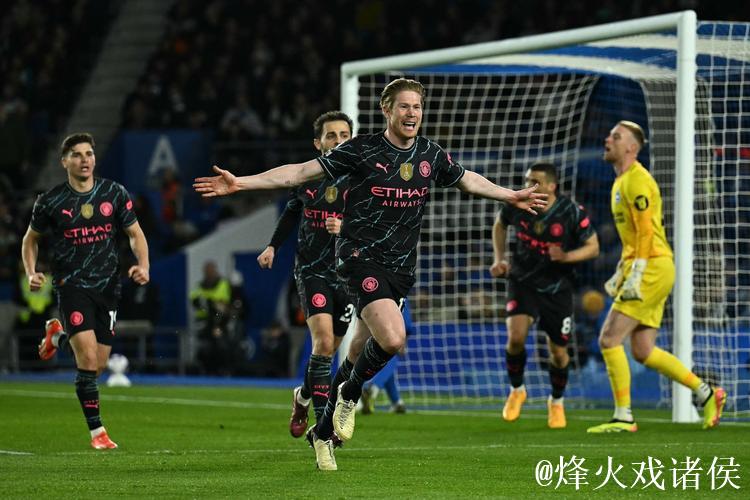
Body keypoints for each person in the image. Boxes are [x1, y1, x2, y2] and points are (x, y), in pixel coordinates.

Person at [194, 78, 547, 470]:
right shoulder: (361, 150)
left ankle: (322, 433)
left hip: (401, 268)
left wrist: (510, 194)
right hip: (359, 259)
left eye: (417, 106)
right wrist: (241, 182)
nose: (411, 113)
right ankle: (349, 395)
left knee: (357, 351)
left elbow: (467, 179)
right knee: (393, 338)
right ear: (387, 110)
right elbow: (298, 173)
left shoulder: (429, 154)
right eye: (404, 106)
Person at [586, 120, 726, 433]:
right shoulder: (621, 182)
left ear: (631, 148)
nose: (608, 139)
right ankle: (707, 393)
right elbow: (634, 237)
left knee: (609, 338)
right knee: (643, 350)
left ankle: (623, 416)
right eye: (609, 134)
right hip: (650, 265)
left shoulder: (637, 180)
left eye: (616, 136)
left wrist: (637, 273)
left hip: (652, 267)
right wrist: (622, 269)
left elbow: (647, 231)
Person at [22, 132, 150, 449]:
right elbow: (30, 239)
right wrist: (31, 271)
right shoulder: (50, 201)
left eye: (89, 154)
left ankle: (56, 337)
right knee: (88, 359)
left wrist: (143, 265)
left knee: (99, 364)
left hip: (108, 286)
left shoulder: (114, 193)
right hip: (72, 285)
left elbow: (135, 233)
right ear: (64, 161)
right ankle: (98, 433)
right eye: (77, 155)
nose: (84, 160)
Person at [255, 111, 354, 439]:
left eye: (344, 135)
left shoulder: (362, 179)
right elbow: (291, 213)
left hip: (347, 275)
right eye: (331, 135)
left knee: (328, 351)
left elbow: (374, 226)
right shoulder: (309, 177)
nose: (338, 141)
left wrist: (345, 228)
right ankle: (324, 428)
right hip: (312, 270)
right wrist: (273, 246)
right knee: (322, 342)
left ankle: (302, 397)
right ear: (318, 143)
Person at [490, 162, 600, 429]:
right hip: (523, 281)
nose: (529, 185)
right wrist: (499, 259)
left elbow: (593, 247)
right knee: (515, 338)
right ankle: (517, 390)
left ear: (552, 186)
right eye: (528, 180)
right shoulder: (517, 204)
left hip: (557, 288)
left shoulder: (570, 212)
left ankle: (557, 402)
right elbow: (500, 225)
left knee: (558, 353)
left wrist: (566, 256)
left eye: (535, 181)